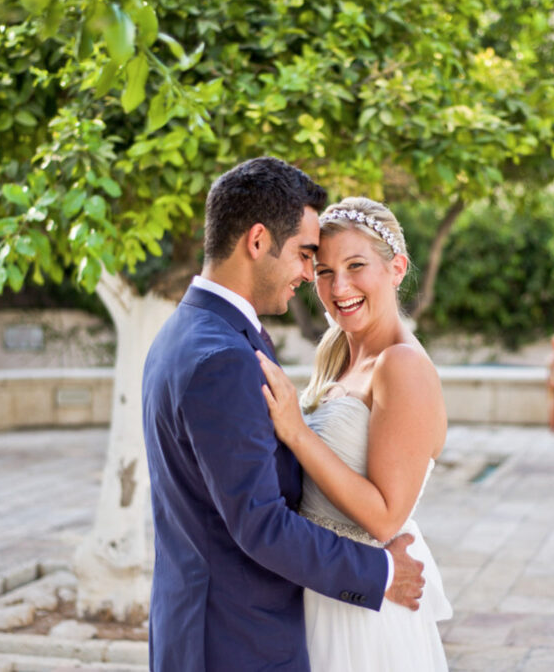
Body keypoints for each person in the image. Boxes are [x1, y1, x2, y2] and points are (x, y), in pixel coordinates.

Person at [141, 158, 425, 672]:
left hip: (206, 625)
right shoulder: (223, 355)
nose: (308, 275)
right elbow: (260, 524)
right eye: (306, 256)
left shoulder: (187, 331)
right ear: (256, 241)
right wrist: (380, 573)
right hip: (236, 640)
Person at [257, 196, 453, 671]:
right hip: (324, 584)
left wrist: (296, 432)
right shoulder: (338, 350)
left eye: (356, 266)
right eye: (323, 271)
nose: (338, 286)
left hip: (364, 610)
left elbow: (385, 518)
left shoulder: (401, 365)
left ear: (397, 268)